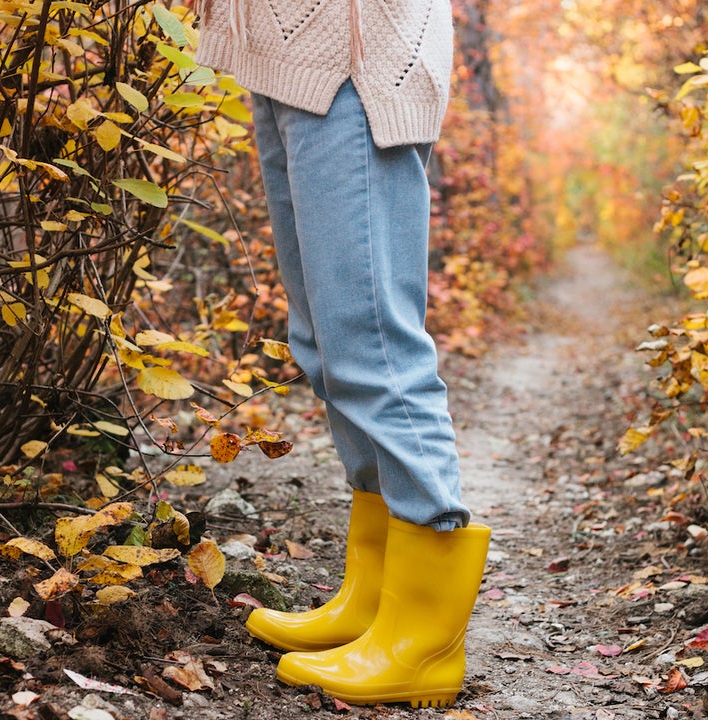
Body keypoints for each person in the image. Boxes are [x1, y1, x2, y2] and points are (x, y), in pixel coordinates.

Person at [193, 0, 491, 709]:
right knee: (324, 344)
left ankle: (422, 640)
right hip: (286, 50)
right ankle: (374, 601)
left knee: (371, 345)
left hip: (357, 56)